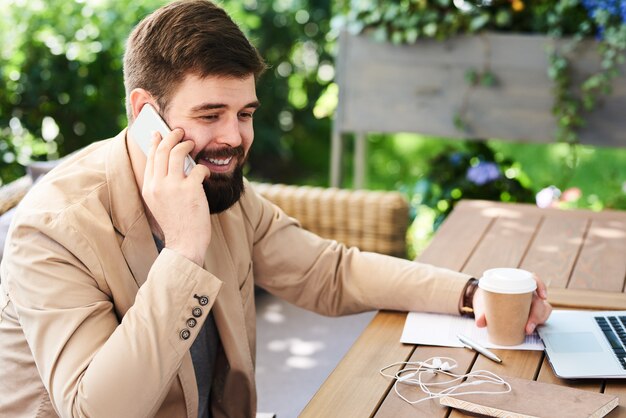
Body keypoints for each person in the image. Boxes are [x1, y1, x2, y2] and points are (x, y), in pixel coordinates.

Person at [0, 1, 552, 417]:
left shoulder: (217, 188)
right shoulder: (54, 232)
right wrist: (185, 251)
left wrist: (470, 292)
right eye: (211, 113)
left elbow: (329, 272)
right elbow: (94, 410)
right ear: (146, 112)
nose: (234, 138)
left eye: (245, 113)